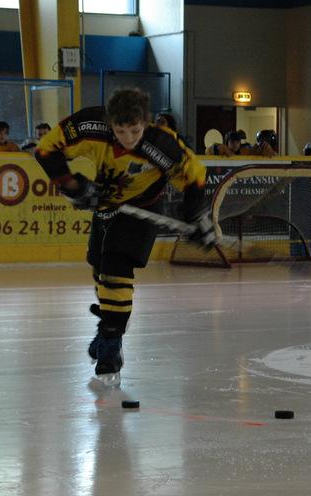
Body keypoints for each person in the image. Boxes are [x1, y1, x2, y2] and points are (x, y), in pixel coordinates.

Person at [34, 88, 218, 384]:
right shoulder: (90, 126)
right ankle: (110, 322)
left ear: (146, 122)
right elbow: (46, 149)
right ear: (110, 123)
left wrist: (197, 216)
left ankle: (111, 344)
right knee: (100, 271)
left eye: (135, 130)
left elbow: (194, 176)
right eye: (120, 131)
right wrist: (74, 185)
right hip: (105, 205)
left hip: (143, 208)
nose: (128, 138)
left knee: (116, 270)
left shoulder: (162, 144)